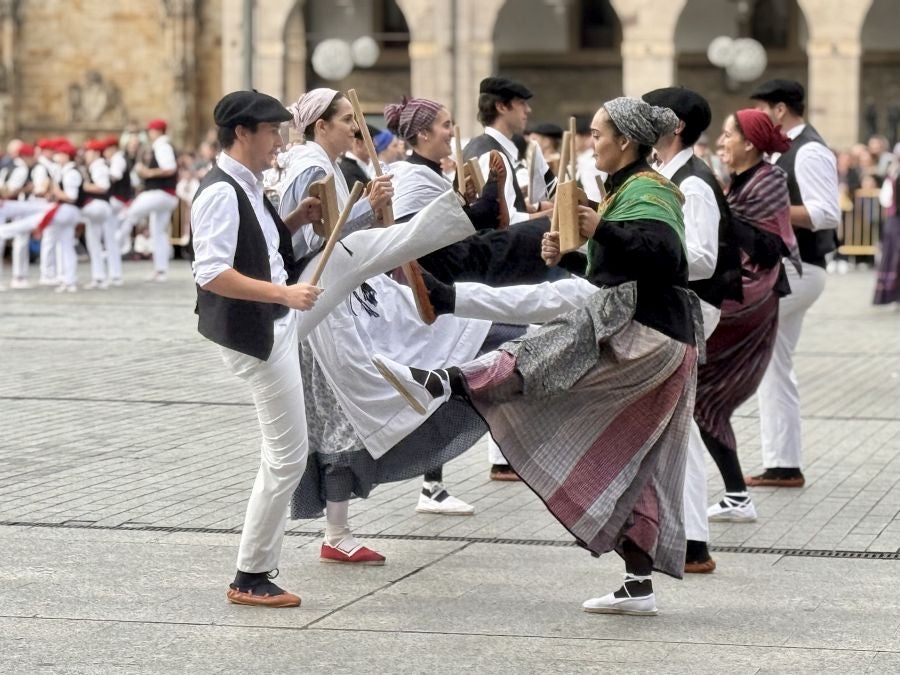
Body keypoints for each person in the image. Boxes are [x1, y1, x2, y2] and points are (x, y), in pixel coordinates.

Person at [374, 97, 701, 616]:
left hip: (651, 336)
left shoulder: (650, 191)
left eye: (599, 134)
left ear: (628, 143)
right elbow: (616, 264)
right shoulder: (627, 190)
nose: (594, 143)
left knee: (540, 356)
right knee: (631, 460)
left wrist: (599, 232)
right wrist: (571, 253)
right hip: (646, 330)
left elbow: (663, 257)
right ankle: (638, 584)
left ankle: (446, 383)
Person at [193, 89, 477, 607]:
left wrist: (297, 222)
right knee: (284, 457)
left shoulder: (247, 185)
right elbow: (211, 273)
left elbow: (269, 247)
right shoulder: (219, 191)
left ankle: (451, 219)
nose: (279, 140)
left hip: (275, 318)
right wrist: (283, 293)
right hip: (259, 330)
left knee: (356, 254)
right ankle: (250, 576)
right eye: (271, 131)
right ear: (242, 134)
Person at [277, 88, 479, 564]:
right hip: (322, 311)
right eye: (346, 119)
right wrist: (368, 208)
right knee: (341, 414)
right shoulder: (310, 167)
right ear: (320, 125)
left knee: (342, 414)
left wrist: (370, 207)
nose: (354, 125)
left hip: (336, 303)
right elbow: (311, 242)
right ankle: (334, 533)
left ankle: (337, 529)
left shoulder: (324, 165)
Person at [642, 86, 743, 574]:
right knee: (667, 423)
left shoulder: (695, 182)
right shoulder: (667, 173)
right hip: (675, 303)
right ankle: (683, 534)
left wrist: (644, 256)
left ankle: (693, 542)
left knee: (673, 422)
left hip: (690, 306)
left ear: (676, 125)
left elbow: (702, 257)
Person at [697, 109, 800, 523]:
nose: (721, 143)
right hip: (735, 291)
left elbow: (768, 247)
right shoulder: (739, 181)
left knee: (701, 394)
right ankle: (737, 494)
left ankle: (737, 495)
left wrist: (722, 211)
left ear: (750, 144)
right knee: (702, 398)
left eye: (727, 136)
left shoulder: (769, 181)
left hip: (749, 298)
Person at [748, 80, 841, 488]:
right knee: (774, 364)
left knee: (746, 338)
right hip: (791, 268)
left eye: (763, 109)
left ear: (781, 110)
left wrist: (770, 209)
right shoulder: (785, 149)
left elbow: (826, 213)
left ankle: (782, 463)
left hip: (798, 269)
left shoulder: (810, 149)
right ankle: (784, 464)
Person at [463, 77, 553, 224]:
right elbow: (506, 221)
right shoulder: (492, 154)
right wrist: (553, 214)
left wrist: (536, 207)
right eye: (521, 103)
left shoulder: (475, 145)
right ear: (501, 107)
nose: (528, 110)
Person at [120, 119, 179, 282]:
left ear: (156, 131)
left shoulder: (162, 145)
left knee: (129, 213)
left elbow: (170, 168)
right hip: (166, 195)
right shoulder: (161, 145)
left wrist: (147, 173)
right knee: (158, 232)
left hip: (159, 193)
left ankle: (115, 244)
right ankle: (161, 270)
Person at [80, 139, 119, 289]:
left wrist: (84, 187)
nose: (86, 155)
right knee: (101, 241)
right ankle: (105, 275)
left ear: (95, 153)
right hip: (103, 206)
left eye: (88, 152)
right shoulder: (98, 166)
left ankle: (106, 275)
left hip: (100, 206)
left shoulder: (98, 166)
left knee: (100, 241)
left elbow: (103, 187)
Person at [874, 161, 900, 305]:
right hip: (895, 221)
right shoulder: (893, 175)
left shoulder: (893, 175)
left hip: (895, 221)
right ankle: (892, 295)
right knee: (894, 256)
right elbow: (885, 199)